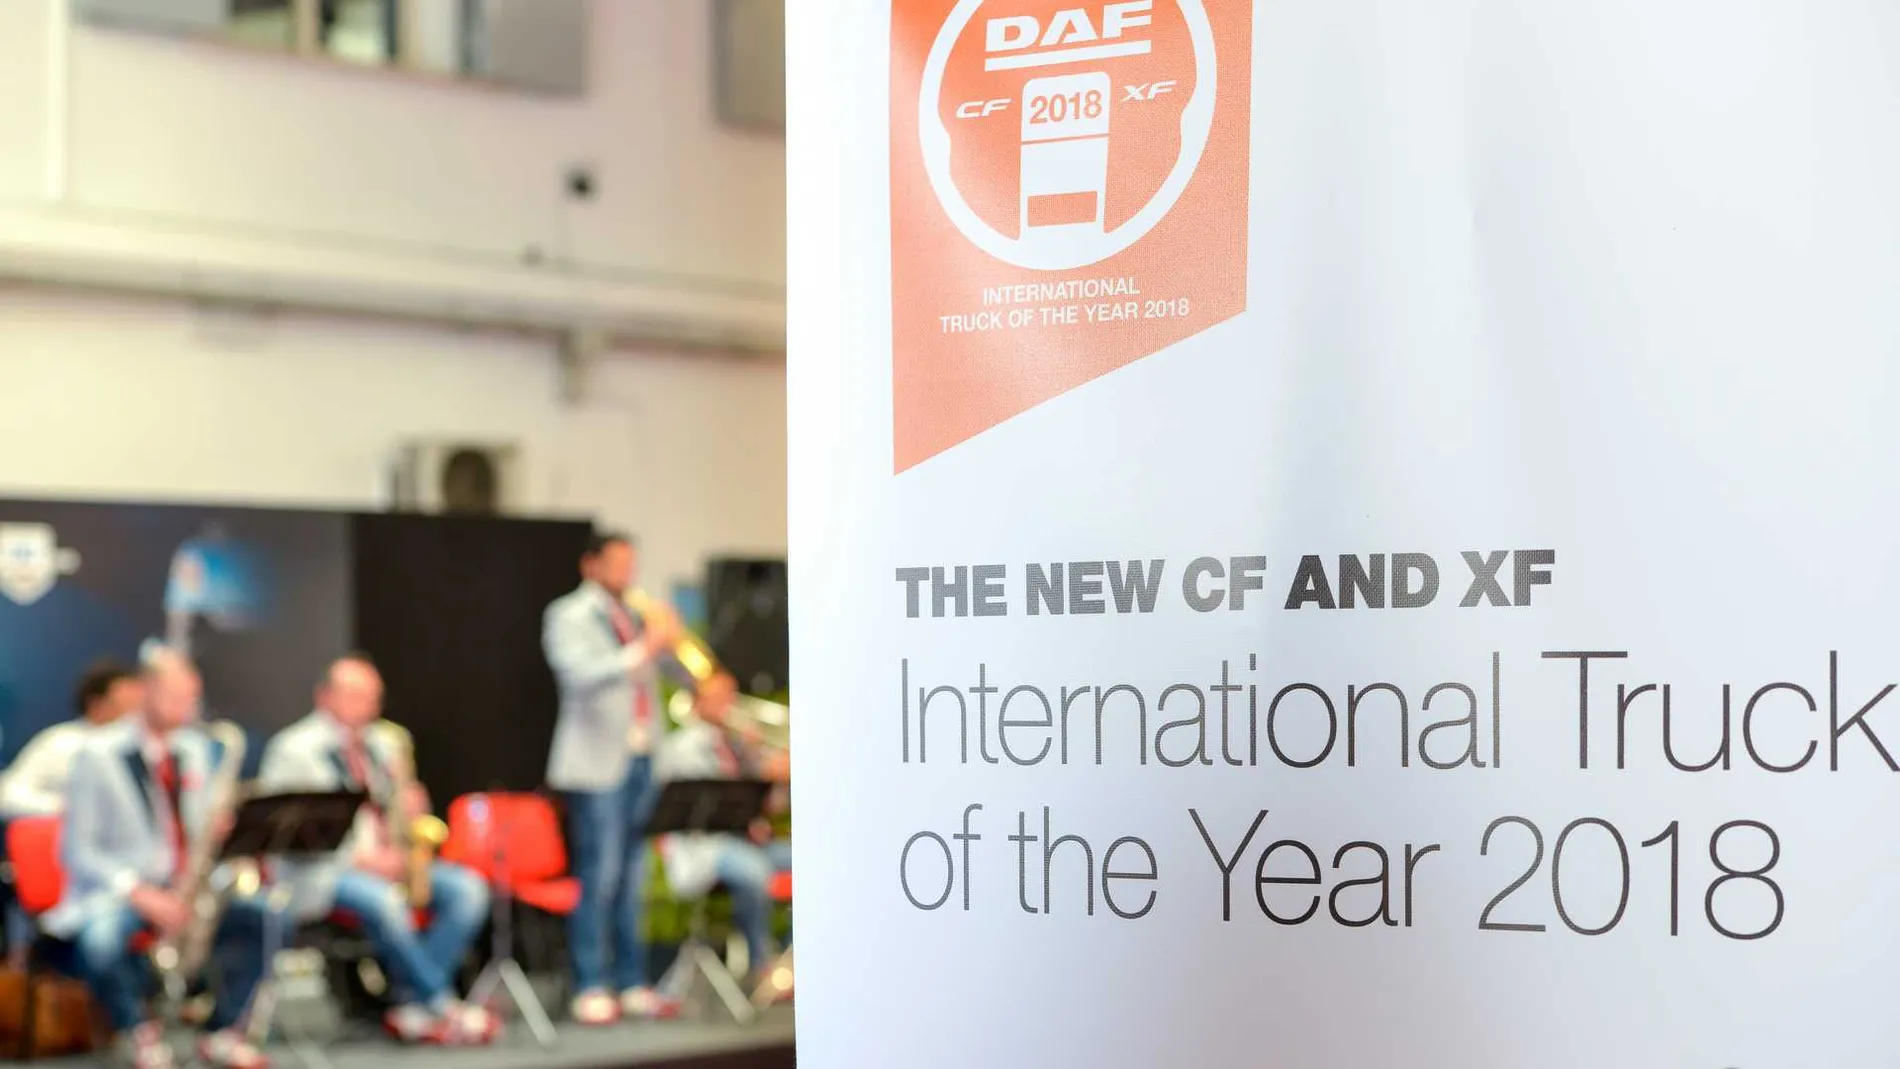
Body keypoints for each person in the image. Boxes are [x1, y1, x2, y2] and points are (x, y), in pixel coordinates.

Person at [38, 650, 273, 1069]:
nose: (187, 709)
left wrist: (220, 829)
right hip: (122, 890)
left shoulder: (195, 750)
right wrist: (139, 892)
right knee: (102, 940)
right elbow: (78, 850)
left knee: (263, 915)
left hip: (186, 885)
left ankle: (222, 1030)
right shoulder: (98, 754)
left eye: (192, 699)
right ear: (145, 690)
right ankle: (137, 1031)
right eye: (176, 697)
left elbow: (197, 825)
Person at [256, 654, 497, 1046]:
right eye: (355, 695)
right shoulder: (294, 749)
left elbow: (391, 809)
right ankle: (437, 1001)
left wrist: (409, 813)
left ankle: (411, 1005)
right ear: (324, 696)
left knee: (468, 889)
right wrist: (361, 860)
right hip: (324, 873)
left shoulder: (384, 744)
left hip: (388, 861)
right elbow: (287, 833)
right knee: (385, 901)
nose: (367, 706)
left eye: (373, 697)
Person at [543, 531, 726, 1025]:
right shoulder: (569, 615)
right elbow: (580, 674)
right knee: (599, 875)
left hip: (645, 759)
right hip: (598, 764)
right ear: (591, 565)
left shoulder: (637, 616)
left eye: (632, 565)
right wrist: (645, 646)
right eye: (618, 564)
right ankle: (590, 983)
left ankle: (630, 981)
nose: (628, 574)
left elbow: (685, 676)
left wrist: (674, 641)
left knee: (633, 878)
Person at [653, 689, 792, 989]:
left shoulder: (737, 745)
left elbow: (772, 806)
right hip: (704, 847)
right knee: (754, 871)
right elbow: (696, 798)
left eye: (730, 697)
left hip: (745, 842)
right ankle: (761, 964)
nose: (730, 706)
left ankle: (794, 959)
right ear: (700, 703)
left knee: (809, 862)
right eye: (721, 699)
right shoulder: (686, 745)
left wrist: (771, 773)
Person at [0, 660, 145, 818]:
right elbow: (7, 796)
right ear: (96, 705)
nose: (133, 716)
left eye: (138, 707)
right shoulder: (61, 743)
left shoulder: (146, 749)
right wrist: (67, 807)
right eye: (125, 706)